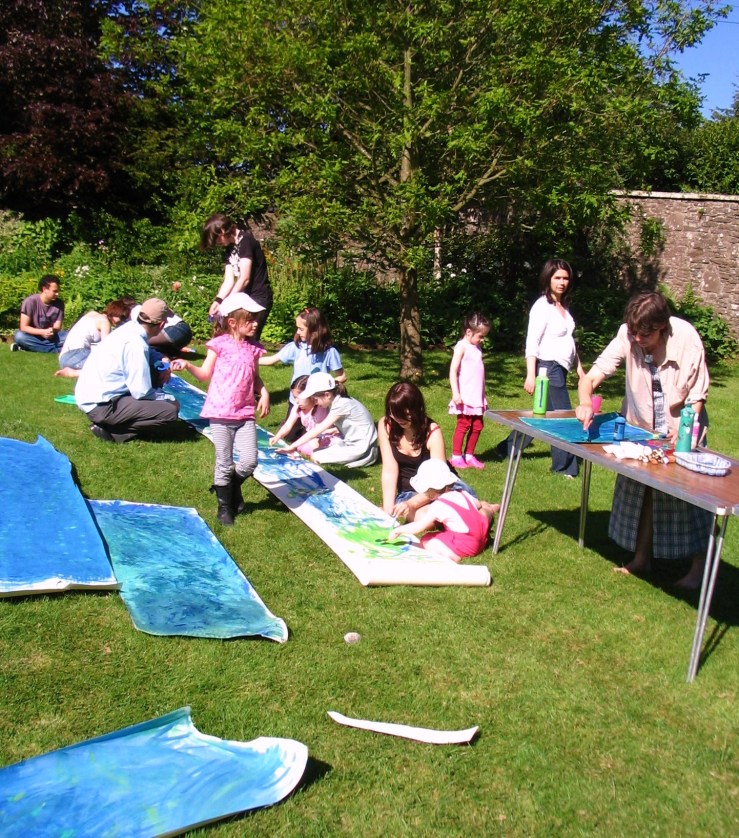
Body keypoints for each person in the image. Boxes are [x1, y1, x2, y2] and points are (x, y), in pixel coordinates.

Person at [575, 290, 711, 589]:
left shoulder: (686, 336)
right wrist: (585, 400)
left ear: (662, 326)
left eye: (645, 335)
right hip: (644, 430)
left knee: (692, 498)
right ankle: (641, 559)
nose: (637, 339)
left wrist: (684, 429)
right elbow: (593, 375)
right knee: (644, 492)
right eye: (634, 333)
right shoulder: (628, 334)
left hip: (683, 424)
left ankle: (699, 569)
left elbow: (697, 392)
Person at [171, 293, 270, 526]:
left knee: (249, 461)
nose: (256, 323)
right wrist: (187, 365)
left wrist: (263, 392)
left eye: (256, 319)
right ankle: (224, 506)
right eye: (250, 320)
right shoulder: (219, 345)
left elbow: (255, 377)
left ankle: (230, 486)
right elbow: (205, 374)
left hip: (245, 413)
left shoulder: (254, 348)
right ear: (233, 322)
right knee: (224, 461)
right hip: (220, 413)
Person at [493, 259, 584, 477]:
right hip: (548, 368)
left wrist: (580, 369)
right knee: (562, 417)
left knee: (540, 417)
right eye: (557, 278)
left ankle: (504, 449)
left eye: (565, 278)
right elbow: (532, 342)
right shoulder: (542, 306)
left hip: (560, 368)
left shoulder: (562, 307)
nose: (562, 282)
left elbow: (569, 342)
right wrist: (530, 375)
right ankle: (564, 468)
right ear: (548, 279)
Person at [75, 298, 182, 444]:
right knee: (170, 411)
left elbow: (150, 354)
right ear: (161, 325)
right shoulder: (136, 344)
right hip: (102, 405)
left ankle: (115, 423)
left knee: (158, 386)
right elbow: (141, 391)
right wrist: (168, 398)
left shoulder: (130, 329)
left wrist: (163, 362)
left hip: (90, 396)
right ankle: (115, 433)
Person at [259, 306, 346, 443]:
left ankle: (322, 431)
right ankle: (302, 429)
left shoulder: (329, 352)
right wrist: (247, 360)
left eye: (301, 329)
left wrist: (325, 386)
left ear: (314, 330)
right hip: (297, 401)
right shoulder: (296, 347)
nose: (298, 332)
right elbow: (271, 360)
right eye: (297, 328)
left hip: (317, 403)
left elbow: (342, 376)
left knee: (316, 435)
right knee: (289, 436)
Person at [388, 460, 499, 561]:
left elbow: (418, 526)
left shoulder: (438, 506)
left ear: (430, 492)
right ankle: (494, 507)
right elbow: (478, 504)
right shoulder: (463, 494)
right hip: (482, 541)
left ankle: (451, 556)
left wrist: (398, 530)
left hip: (466, 545)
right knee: (480, 514)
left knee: (426, 540)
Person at [378, 382, 448, 522]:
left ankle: (487, 508)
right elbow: (389, 470)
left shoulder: (432, 432)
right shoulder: (386, 425)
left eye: (403, 414)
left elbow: (439, 483)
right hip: (408, 491)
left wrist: (412, 504)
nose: (398, 419)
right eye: (393, 413)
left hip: (438, 489)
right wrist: (387, 509)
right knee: (424, 517)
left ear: (417, 409)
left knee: (466, 511)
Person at [280, 372, 377, 467]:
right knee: (321, 450)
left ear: (327, 395)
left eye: (316, 399)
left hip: (363, 449)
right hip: (353, 443)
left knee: (317, 455)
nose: (316, 403)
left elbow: (316, 431)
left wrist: (292, 446)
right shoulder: (339, 401)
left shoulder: (341, 405)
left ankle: (358, 459)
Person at [200, 213, 273, 340]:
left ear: (222, 231)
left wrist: (228, 303)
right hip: (243, 298)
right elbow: (228, 280)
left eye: (216, 239)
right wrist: (218, 301)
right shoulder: (229, 248)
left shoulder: (246, 241)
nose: (217, 243)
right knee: (235, 338)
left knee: (249, 340)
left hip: (258, 297)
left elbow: (244, 279)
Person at [448, 312, 490, 469]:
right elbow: (453, 371)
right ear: (468, 332)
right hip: (465, 396)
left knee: (478, 425)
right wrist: (455, 393)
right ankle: (456, 456)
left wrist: (483, 395)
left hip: (477, 397)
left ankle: (469, 455)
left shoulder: (476, 347)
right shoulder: (462, 347)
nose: (482, 339)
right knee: (463, 425)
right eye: (480, 336)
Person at [55, 300, 131, 378]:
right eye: (121, 317)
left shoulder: (92, 314)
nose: (121, 321)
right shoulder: (105, 322)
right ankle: (74, 373)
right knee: (109, 367)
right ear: (114, 313)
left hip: (63, 357)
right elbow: (107, 348)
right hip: (76, 354)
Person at [268, 375, 339, 456]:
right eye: (295, 398)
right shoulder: (297, 407)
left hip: (324, 436)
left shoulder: (320, 407)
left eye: (299, 398)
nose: (296, 401)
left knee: (307, 448)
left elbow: (318, 432)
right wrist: (277, 437)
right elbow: (287, 425)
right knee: (301, 447)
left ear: (310, 395)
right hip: (311, 437)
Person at [12, 275, 67, 353]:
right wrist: (42, 332)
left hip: (51, 337)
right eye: (55, 291)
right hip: (33, 336)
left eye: (58, 291)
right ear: (45, 289)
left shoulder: (59, 304)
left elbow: (57, 326)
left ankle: (28, 347)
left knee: (71, 336)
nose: (57, 294)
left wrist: (51, 331)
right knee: (19, 336)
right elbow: (24, 327)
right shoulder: (30, 302)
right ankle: (57, 350)